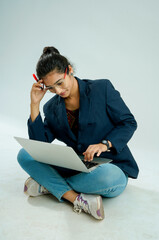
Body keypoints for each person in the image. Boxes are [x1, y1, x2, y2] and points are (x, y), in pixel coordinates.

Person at [17, 46, 139, 220]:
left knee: (109, 179)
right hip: (77, 165)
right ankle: (74, 198)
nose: (58, 91)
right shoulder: (50, 107)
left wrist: (105, 144)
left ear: (69, 70)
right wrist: (34, 105)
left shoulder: (101, 89)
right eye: (51, 88)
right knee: (24, 154)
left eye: (59, 83)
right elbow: (39, 147)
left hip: (111, 166)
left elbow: (128, 122)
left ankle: (48, 185)